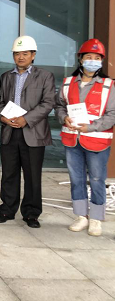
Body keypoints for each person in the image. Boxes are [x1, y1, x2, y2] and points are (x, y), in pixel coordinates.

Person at [55, 39, 115, 237]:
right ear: (80, 59)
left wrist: (91, 127)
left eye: (97, 58)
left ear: (101, 61)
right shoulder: (68, 83)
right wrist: (64, 117)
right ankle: (81, 216)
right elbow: (59, 106)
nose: (92, 61)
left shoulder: (109, 85)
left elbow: (112, 114)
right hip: (73, 140)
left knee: (97, 179)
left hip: (97, 141)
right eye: (88, 57)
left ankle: (96, 218)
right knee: (76, 179)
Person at [0, 36, 55, 228]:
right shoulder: (6, 76)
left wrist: (26, 119)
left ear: (33, 55)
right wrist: (3, 117)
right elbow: (0, 102)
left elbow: (48, 103)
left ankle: (31, 213)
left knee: (32, 176)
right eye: (17, 54)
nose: (20, 57)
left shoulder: (45, 76)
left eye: (25, 53)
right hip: (10, 131)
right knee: (9, 174)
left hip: (33, 132)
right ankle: (7, 209)